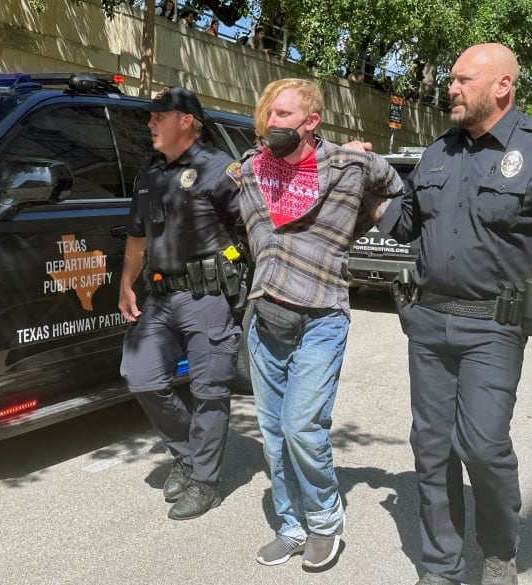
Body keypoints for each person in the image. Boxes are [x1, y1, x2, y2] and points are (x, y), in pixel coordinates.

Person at [377, 43, 532, 585]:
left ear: (502, 86)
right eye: (451, 79)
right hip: (428, 323)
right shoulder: (438, 152)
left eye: (462, 79)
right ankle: (442, 566)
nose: (449, 88)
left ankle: (499, 549)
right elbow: (407, 223)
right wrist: (365, 184)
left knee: (481, 444)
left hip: (494, 327)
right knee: (431, 448)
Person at [237, 78, 404, 569]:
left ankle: (325, 522)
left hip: (322, 316)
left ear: (311, 123)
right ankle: (290, 526)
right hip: (266, 314)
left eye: (284, 116)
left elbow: (394, 187)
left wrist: (349, 232)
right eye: (268, 114)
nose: (272, 123)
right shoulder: (248, 171)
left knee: (301, 427)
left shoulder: (349, 164)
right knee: (271, 432)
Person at [118, 86, 243, 521]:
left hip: (208, 296)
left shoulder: (220, 170)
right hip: (159, 294)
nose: (150, 123)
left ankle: (205, 483)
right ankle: (189, 456)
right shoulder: (150, 173)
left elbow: (256, 231)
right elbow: (137, 235)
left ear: (185, 121)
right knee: (140, 376)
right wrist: (126, 284)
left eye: (159, 116)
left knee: (209, 392)